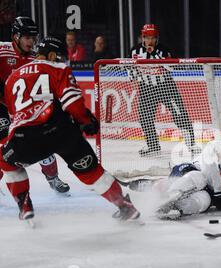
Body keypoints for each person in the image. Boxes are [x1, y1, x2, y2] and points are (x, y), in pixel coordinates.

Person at [0, 37, 140, 221]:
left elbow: (14, 114)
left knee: (6, 163)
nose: (62, 61)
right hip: (62, 132)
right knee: (92, 172)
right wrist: (85, 120)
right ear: (51, 55)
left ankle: (25, 206)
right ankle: (125, 206)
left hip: (25, 137)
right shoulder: (58, 68)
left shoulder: (12, 77)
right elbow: (72, 102)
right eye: (59, 57)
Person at [0, 16, 69, 193]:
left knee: (42, 140)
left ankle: (53, 178)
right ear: (15, 37)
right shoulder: (2, 51)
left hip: (24, 109)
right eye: (27, 37)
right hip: (2, 107)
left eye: (33, 37)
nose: (32, 41)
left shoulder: (36, 58)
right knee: (4, 146)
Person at [129, 24, 197, 157]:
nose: (150, 41)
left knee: (180, 114)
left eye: (153, 38)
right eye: (147, 38)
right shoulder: (135, 51)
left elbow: (171, 68)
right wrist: (132, 77)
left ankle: (191, 144)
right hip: (146, 88)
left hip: (166, 86)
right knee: (145, 118)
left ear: (157, 38)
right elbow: (132, 70)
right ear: (142, 38)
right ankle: (153, 146)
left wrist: (154, 54)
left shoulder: (164, 50)